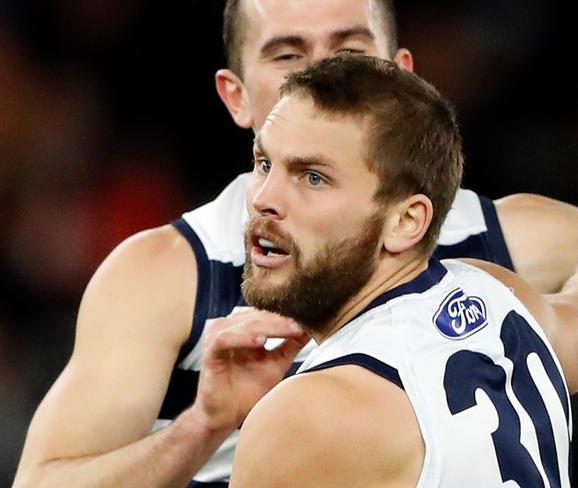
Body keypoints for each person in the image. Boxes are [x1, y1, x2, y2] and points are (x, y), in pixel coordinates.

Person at [13, 1, 578, 486]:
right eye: (287, 55)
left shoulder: (502, 242)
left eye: (350, 53)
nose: (322, 73)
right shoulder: (502, 290)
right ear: (237, 99)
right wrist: (201, 427)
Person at [228, 54, 576, 487]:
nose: (264, 198)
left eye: (313, 177)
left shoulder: (307, 414)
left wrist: (200, 428)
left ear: (406, 221)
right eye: (264, 164)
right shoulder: (498, 296)